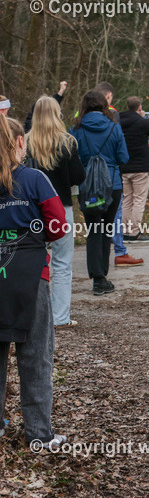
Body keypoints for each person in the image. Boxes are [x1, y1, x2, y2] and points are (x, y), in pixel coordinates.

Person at [0, 117, 67, 450]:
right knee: (35, 355)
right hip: (30, 275)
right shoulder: (35, 179)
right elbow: (57, 226)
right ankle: (39, 434)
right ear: (19, 143)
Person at [26, 97, 85, 328]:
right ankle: (60, 317)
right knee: (62, 263)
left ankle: (32, 316)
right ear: (57, 114)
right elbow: (79, 176)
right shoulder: (67, 142)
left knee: (32, 262)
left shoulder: (26, 143)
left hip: (31, 211)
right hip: (61, 208)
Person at [70, 91, 129, 295]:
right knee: (106, 229)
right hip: (112, 185)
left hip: (88, 187)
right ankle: (102, 276)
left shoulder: (76, 130)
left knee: (94, 229)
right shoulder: (114, 127)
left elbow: (70, 158)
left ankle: (98, 277)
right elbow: (124, 157)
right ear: (104, 105)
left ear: (84, 106)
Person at [119, 96, 149, 242]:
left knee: (126, 200)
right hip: (140, 168)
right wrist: (143, 118)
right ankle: (135, 232)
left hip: (124, 166)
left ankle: (124, 231)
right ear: (139, 107)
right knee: (139, 200)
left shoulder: (118, 121)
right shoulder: (142, 122)